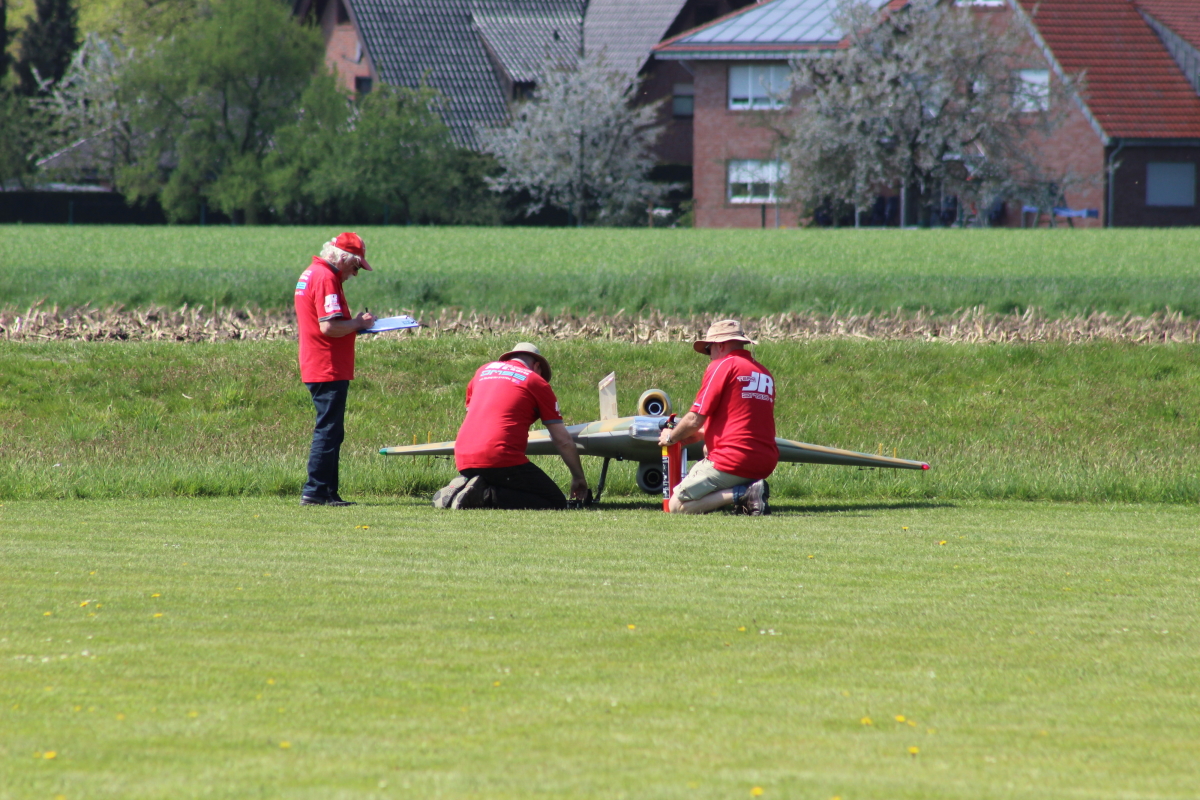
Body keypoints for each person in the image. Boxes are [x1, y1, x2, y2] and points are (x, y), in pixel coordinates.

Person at [432, 343, 589, 510]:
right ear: (537, 366)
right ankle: (484, 495)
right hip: (500, 457)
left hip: (463, 456)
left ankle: (463, 488)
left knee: (504, 481)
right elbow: (562, 440)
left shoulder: (482, 372)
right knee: (554, 501)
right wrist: (578, 477)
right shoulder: (536, 381)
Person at [659, 319, 778, 515]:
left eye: (709, 349)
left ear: (720, 345)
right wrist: (702, 434)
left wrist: (671, 437)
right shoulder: (764, 373)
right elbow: (743, 421)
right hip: (765, 461)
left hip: (733, 459)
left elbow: (694, 419)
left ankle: (743, 494)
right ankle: (750, 493)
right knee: (707, 449)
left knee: (676, 506)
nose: (709, 356)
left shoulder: (723, 365)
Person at [294, 232, 377, 506]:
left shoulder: (313, 273)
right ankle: (316, 491)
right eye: (355, 266)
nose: (355, 273)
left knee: (332, 430)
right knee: (328, 430)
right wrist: (359, 324)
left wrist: (354, 325)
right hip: (327, 364)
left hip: (320, 362)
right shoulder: (326, 277)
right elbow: (329, 326)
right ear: (342, 258)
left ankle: (328, 491)